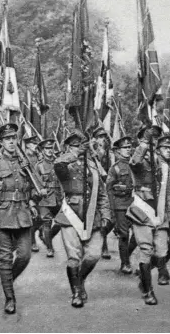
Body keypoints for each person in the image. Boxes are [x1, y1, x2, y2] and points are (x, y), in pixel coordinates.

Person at [0, 123, 38, 314]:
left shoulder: (26, 163)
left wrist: (33, 200)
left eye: (13, 138)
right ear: (1, 142)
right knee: (5, 258)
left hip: (22, 215)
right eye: (7, 139)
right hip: (2, 217)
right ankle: (10, 297)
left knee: (24, 255)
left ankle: (7, 280)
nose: (11, 142)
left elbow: (34, 188)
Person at [53, 130, 111, 308]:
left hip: (92, 215)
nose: (79, 148)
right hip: (71, 214)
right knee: (73, 257)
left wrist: (106, 215)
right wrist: (75, 153)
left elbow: (102, 194)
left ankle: (79, 280)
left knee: (94, 254)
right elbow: (58, 164)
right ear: (68, 147)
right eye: (75, 145)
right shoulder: (64, 164)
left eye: (81, 145)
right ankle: (76, 292)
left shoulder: (93, 165)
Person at [128, 132, 170, 306]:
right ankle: (147, 290)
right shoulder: (143, 162)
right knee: (146, 250)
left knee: (161, 252)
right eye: (165, 148)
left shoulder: (167, 168)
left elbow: (169, 194)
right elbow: (134, 162)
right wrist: (144, 142)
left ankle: (143, 277)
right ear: (157, 149)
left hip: (161, 215)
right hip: (142, 214)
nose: (169, 151)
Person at [106, 135, 135, 274]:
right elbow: (109, 191)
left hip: (137, 204)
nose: (128, 150)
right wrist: (112, 212)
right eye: (125, 147)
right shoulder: (115, 168)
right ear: (118, 151)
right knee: (124, 234)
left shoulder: (136, 164)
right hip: (121, 205)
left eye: (130, 147)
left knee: (140, 234)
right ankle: (125, 263)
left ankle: (126, 254)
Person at [34, 138, 63, 258]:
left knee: (62, 221)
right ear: (42, 150)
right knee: (47, 222)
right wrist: (40, 191)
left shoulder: (58, 162)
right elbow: (35, 182)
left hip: (58, 196)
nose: (49, 150)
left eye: (51, 148)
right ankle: (49, 248)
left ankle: (47, 236)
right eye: (47, 148)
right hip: (45, 198)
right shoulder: (39, 165)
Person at [91, 126, 113, 260]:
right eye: (99, 137)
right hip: (95, 185)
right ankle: (103, 245)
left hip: (108, 185)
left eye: (104, 137)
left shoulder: (110, 153)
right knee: (98, 215)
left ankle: (102, 239)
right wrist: (96, 150)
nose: (102, 139)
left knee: (110, 217)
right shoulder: (93, 151)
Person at [23, 134, 41, 252]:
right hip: (27, 188)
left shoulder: (38, 156)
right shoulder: (23, 158)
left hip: (38, 188)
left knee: (39, 217)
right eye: (33, 144)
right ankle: (32, 241)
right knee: (31, 216)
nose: (36, 146)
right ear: (28, 144)